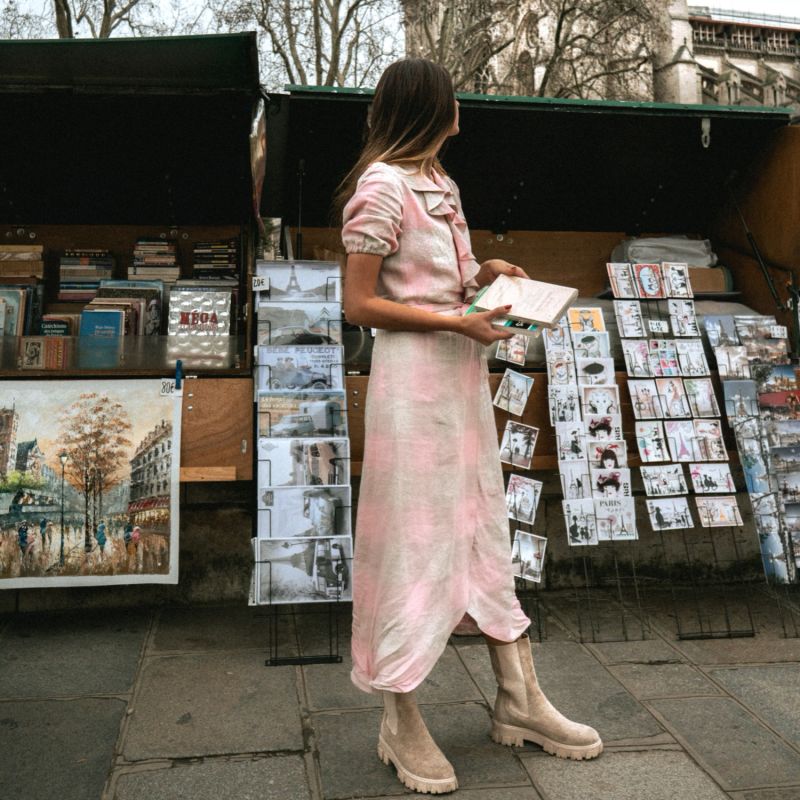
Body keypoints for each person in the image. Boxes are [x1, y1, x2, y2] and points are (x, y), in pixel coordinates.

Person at [338, 57, 601, 794]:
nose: (463, 111)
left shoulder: (441, 183)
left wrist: (485, 273)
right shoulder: (381, 187)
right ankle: (399, 717)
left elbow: (436, 279)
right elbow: (360, 305)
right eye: (453, 101)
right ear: (430, 110)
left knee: (481, 526)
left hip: (459, 381)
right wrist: (459, 316)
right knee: (412, 541)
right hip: (412, 388)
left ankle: (520, 699)